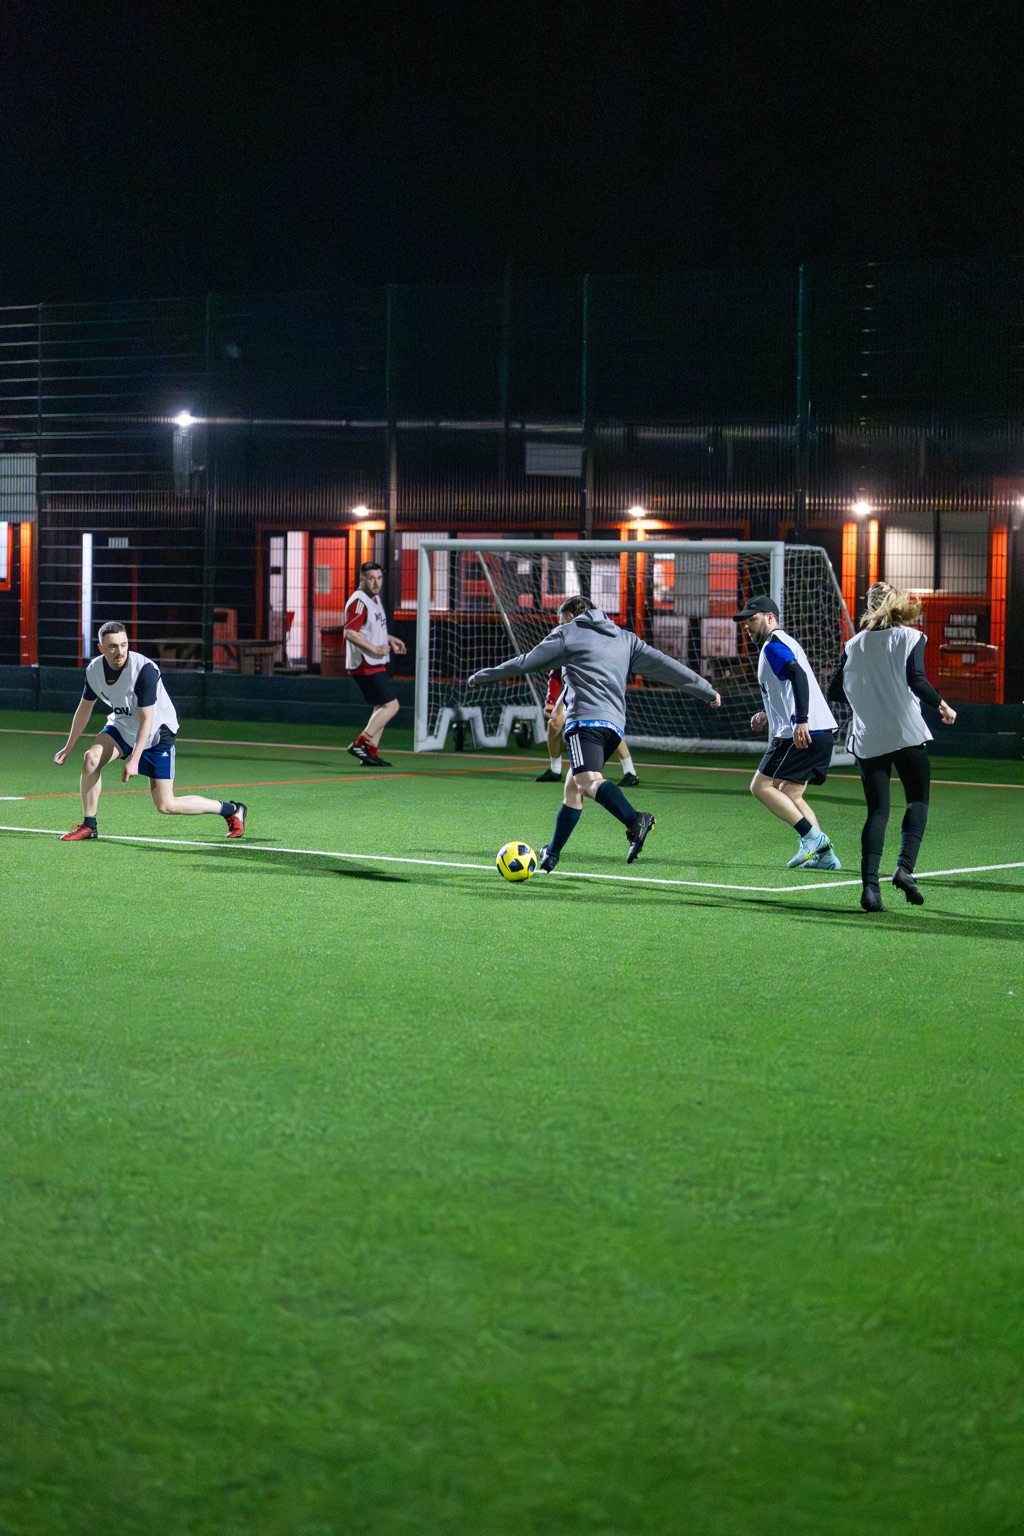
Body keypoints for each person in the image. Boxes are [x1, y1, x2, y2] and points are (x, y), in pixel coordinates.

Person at [468, 596, 721, 870]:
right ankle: (551, 854)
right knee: (573, 788)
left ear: (571, 615)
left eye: (560, 620)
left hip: (583, 724)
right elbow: (667, 666)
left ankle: (634, 819)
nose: (557, 625)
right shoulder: (625, 638)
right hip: (614, 729)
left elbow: (525, 663)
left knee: (587, 781)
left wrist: (481, 677)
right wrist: (705, 690)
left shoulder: (567, 633)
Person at [828, 581, 956, 912]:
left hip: (869, 738)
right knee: (917, 801)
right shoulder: (910, 636)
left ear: (869, 607)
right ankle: (904, 868)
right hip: (906, 733)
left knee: (878, 811)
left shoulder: (853, 645)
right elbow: (917, 680)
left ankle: (870, 888)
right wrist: (942, 705)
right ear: (896, 605)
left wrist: (867, 699)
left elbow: (834, 690)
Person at [55, 620, 247, 841]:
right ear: (101, 648)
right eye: (112, 646)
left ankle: (232, 810)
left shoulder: (143, 670)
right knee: (91, 758)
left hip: (157, 732)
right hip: (123, 726)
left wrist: (134, 759)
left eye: (124, 644)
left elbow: (147, 718)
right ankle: (89, 826)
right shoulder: (94, 670)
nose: (120, 651)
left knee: (166, 805)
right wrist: (69, 746)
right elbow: (84, 709)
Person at [735, 595, 841, 871]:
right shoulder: (784, 643)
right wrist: (766, 712)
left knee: (760, 787)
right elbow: (787, 688)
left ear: (770, 618)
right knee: (790, 792)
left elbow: (799, 677)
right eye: (745, 622)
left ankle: (813, 840)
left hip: (802, 731)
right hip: (821, 731)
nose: (747, 626)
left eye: (753, 619)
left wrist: (800, 720)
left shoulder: (773, 646)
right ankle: (826, 857)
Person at [343, 560, 407, 768]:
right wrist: (374, 649)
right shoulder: (359, 601)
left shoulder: (374, 599)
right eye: (371, 578)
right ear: (361, 579)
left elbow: (368, 627)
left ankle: (369, 752)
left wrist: (388, 639)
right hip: (365, 662)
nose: (376, 583)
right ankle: (360, 742)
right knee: (392, 705)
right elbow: (350, 633)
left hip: (373, 661)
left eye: (379, 578)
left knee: (381, 706)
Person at [535, 666, 640, 786]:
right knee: (554, 723)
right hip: (574, 687)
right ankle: (555, 770)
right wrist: (550, 701)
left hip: (598, 686)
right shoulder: (565, 648)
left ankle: (630, 772)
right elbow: (556, 672)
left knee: (608, 724)